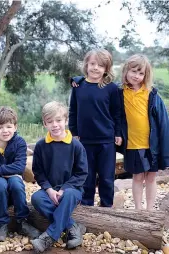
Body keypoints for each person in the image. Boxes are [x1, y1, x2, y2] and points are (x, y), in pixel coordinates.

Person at [30, 101, 88, 252]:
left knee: (68, 195)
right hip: (49, 191)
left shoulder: (76, 146)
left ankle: (49, 237)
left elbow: (81, 173)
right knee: (36, 198)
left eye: (58, 120)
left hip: (72, 190)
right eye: (50, 122)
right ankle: (73, 227)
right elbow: (38, 172)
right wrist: (48, 189)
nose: (55, 125)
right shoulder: (41, 146)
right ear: (44, 123)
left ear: (66, 120)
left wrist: (64, 188)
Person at [0, 106, 40, 242]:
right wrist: (7, 174)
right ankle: (1, 225)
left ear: (15, 127)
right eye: (0, 127)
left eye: (8, 126)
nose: (5, 131)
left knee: (16, 182)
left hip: (13, 193)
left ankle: (22, 221)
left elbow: (19, 166)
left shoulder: (20, 143)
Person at [69, 48, 122, 207]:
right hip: (85, 140)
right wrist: (74, 132)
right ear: (86, 65)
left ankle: (107, 207)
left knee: (106, 177)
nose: (95, 68)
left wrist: (118, 132)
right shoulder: (78, 86)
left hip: (106, 140)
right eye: (92, 64)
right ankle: (87, 206)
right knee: (87, 176)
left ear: (106, 69)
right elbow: (73, 110)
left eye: (100, 65)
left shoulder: (111, 88)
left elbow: (117, 113)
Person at [118, 54, 169, 210]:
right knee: (138, 177)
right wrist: (77, 81)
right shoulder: (120, 93)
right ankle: (138, 210)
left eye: (141, 74)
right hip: (133, 144)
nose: (137, 76)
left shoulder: (151, 94)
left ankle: (149, 210)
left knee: (151, 177)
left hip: (152, 145)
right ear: (126, 70)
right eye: (134, 71)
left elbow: (163, 122)